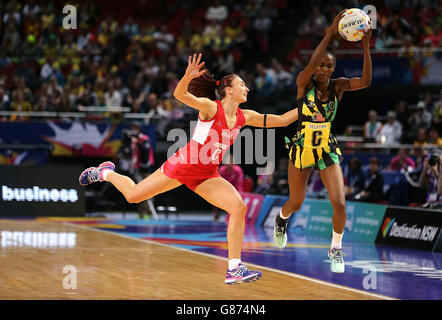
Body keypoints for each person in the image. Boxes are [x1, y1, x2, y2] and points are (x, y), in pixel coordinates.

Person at [79, 53, 299, 285]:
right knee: (133, 196)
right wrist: (186, 76)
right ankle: (105, 172)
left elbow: (282, 120)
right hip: (182, 166)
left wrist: (307, 107)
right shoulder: (210, 108)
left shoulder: (245, 116)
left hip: (207, 174)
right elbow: (179, 94)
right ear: (229, 89)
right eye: (242, 84)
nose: (247, 89)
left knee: (238, 207)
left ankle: (234, 268)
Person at [273, 10, 372, 274]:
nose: (325, 69)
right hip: (303, 147)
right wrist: (330, 33)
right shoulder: (303, 84)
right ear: (315, 67)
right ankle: (281, 220)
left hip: (326, 148)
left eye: (329, 66)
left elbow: (365, 82)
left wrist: (365, 47)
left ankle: (336, 248)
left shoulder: (339, 87)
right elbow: (311, 62)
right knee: (296, 203)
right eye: (321, 65)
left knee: (339, 202)